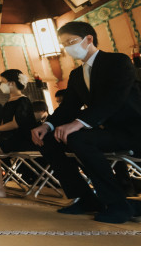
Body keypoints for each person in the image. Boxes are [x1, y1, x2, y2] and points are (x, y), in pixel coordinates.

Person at [31, 21, 141, 223]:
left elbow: (115, 99)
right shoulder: (76, 75)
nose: (67, 48)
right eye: (64, 44)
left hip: (133, 131)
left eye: (70, 41)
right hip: (108, 132)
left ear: (88, 39)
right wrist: (46, 125)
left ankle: (118, 205)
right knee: (48, 139)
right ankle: (86, 198)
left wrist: (79, 122)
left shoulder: (117, 61)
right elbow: (67, 108)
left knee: (79, 138)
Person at [0, 69, 40, 197]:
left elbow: (16, 123)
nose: (1, 85)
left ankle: (0, 188)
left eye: (3, 82)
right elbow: (3, 123)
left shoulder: (23, 100)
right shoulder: (9, 101)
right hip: (10, 138)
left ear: (11, 83)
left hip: (22, 138)